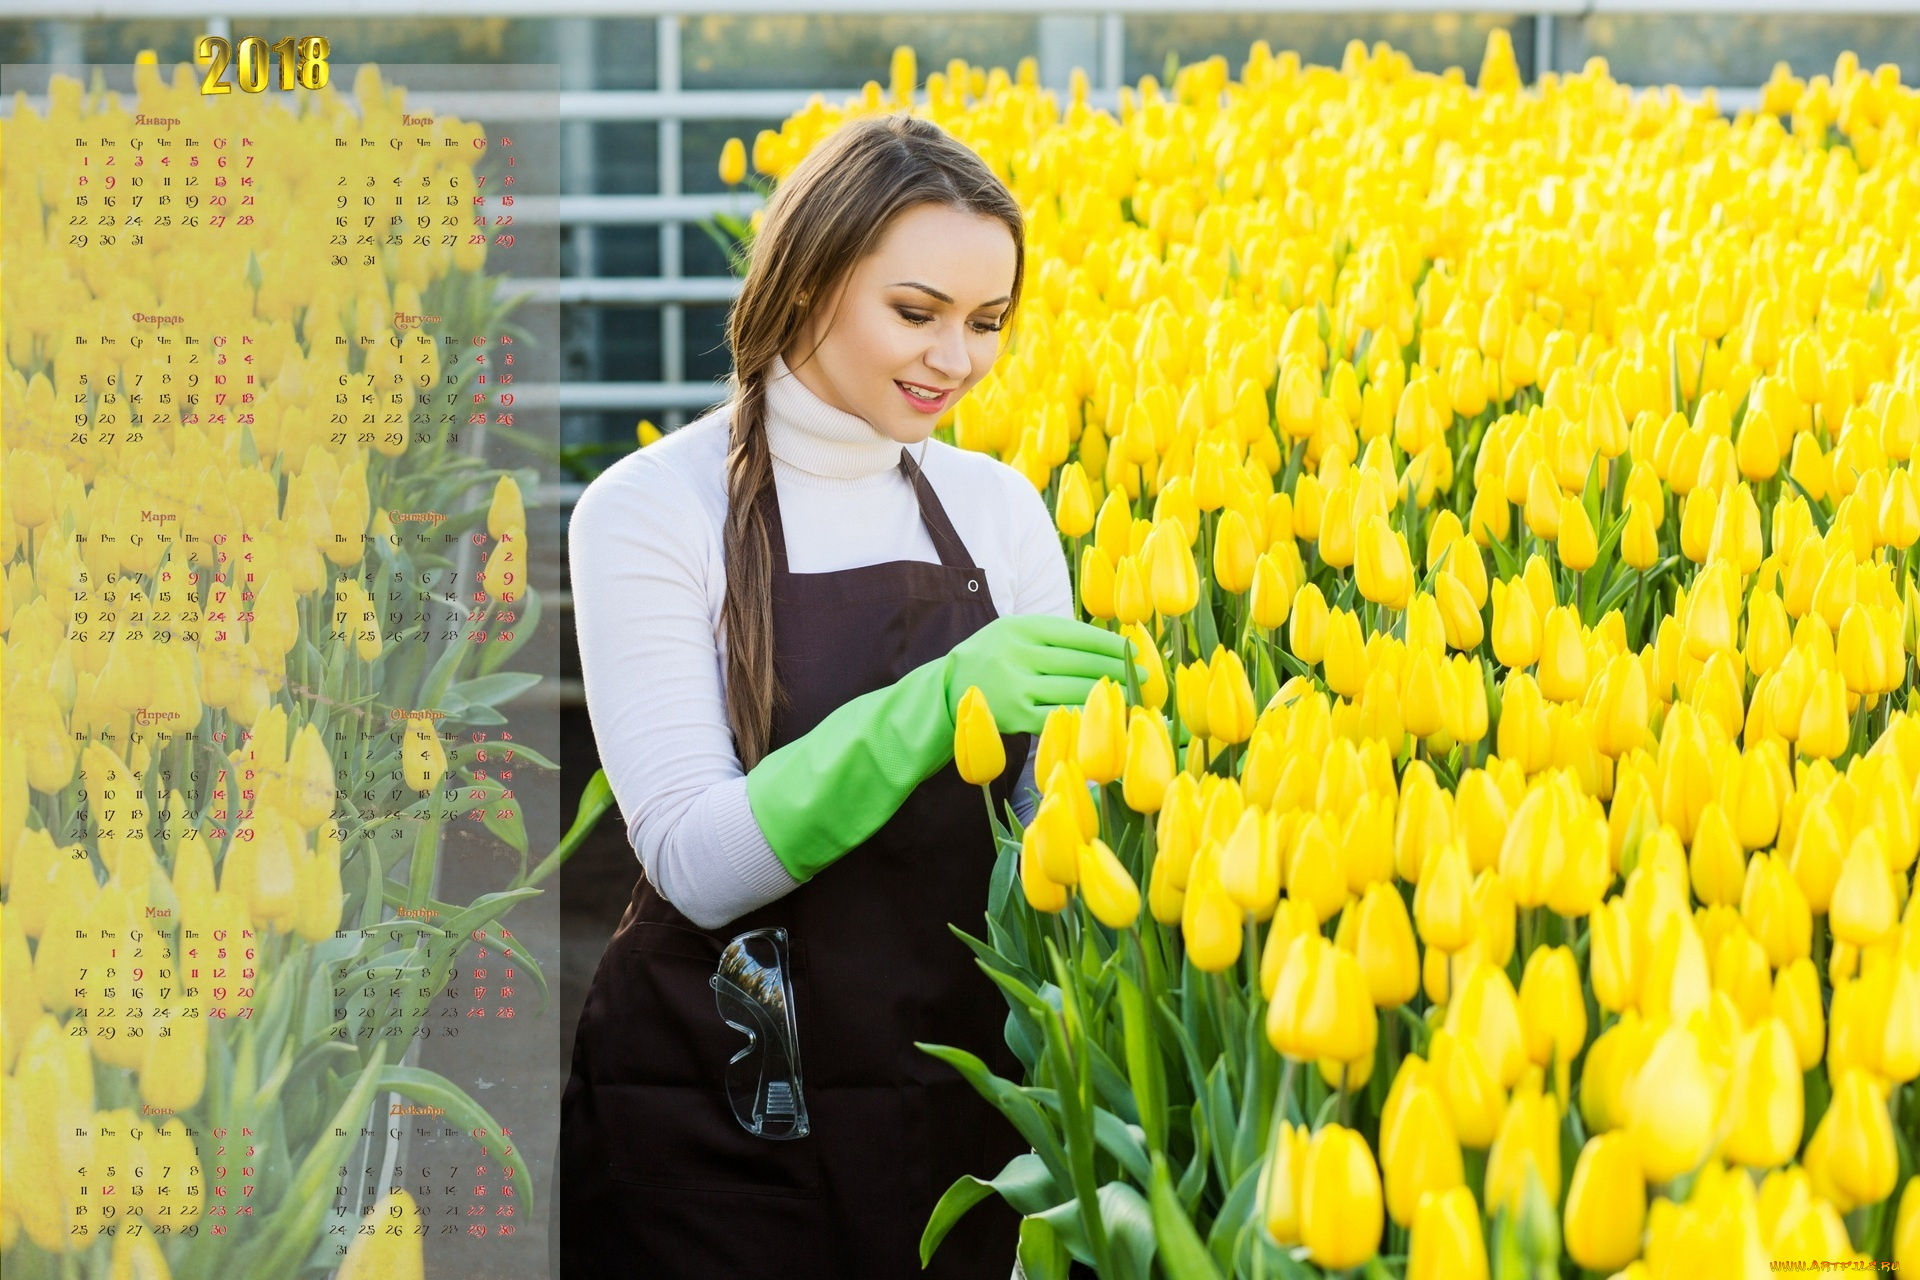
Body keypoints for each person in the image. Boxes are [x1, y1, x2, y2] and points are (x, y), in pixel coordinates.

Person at [560, 113, 1138, 1279]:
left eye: (986, 324)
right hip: (717, 1101)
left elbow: (1042, 835)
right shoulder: (649, 509)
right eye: (915, 314)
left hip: (950, 1090)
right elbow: (696, 857)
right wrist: (935, 703)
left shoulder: (998, 510)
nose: (955, 360)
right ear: (810, 279)